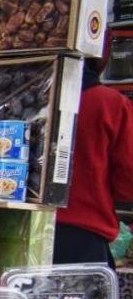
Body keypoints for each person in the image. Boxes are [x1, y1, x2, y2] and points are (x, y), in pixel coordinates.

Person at [54, 57, 133, 265]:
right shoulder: (110, 103)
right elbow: (128, 182)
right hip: (82, 239)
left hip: (9, 228)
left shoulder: (17, 92)